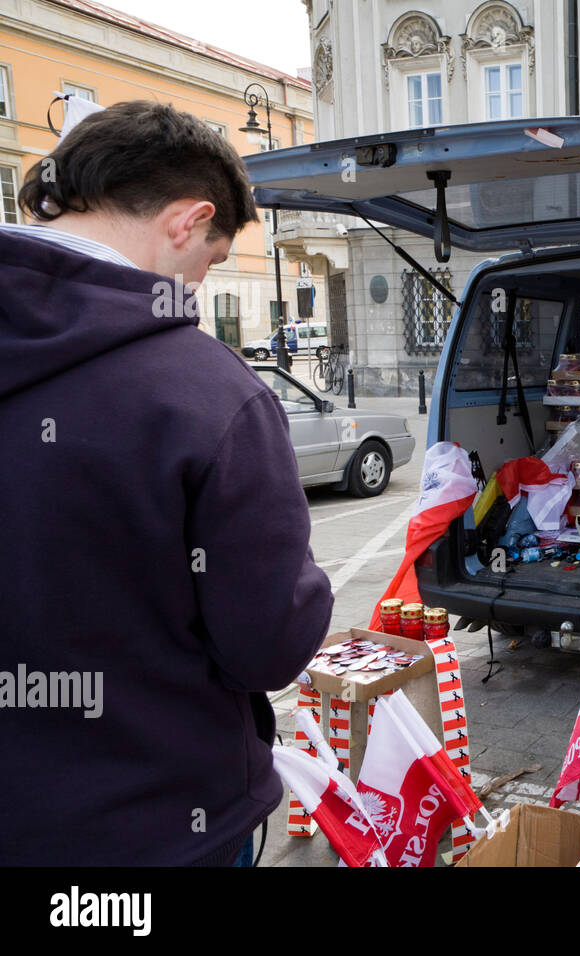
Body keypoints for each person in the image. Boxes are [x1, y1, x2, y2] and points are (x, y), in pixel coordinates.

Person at [0, 101, 333, 865]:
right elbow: (268, 645)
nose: (196, 287)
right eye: (211, 262)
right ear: (189, 222)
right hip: (158, 822)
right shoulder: (204, 389)